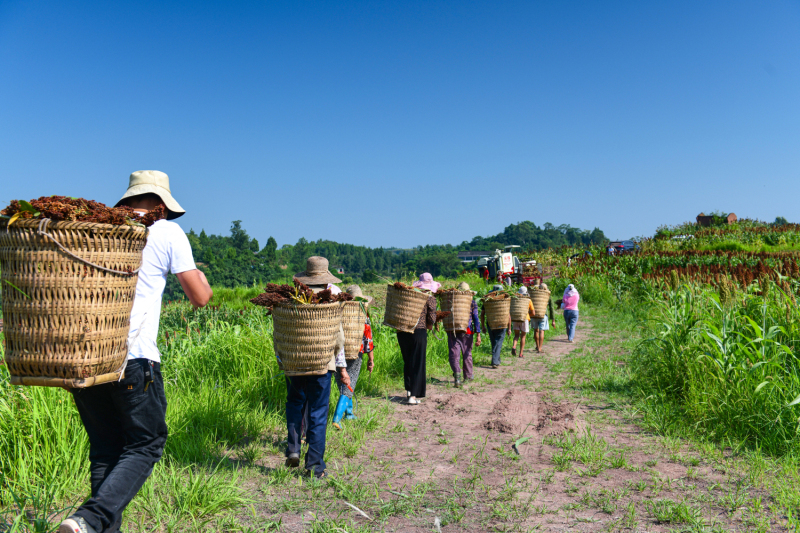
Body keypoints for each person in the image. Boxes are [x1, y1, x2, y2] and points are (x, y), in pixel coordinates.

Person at [60, 170, 213, 533]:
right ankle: (89, 518)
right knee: (147, 443)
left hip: (89, 355)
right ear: (162, 204)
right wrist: (201, 276)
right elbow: (200, 297)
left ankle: (87, 526)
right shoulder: (166, 231)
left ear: (128, 201)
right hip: (134, 356)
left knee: (106, 450)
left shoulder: (102, 232)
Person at [283, 256, 349, 479]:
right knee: (318, 412)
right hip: (322, 364)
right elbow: (339, 340)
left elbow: (280, 332)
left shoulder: (293, 299)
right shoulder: (331, 302)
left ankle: (293, 448)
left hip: (295, 363)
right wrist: (340, 367)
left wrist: (282, 358)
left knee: (295, 403)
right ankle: (314, 467)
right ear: (326, 278)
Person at [332, 285, 374, 430]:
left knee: (343, 384)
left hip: (338, 352)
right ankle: (336, 418)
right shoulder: (363, 314)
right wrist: (371, 359)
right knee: (349, 386)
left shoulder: (338, 310)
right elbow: (368, 338)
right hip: (356, 352)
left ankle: (349, 413)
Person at [396, 273, 438, 405]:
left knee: (408, 361)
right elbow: (431, 318)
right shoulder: (429, 297)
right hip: (418, 332)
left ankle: (409, 391)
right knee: (418, 363)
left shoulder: (407, 294)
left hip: (402, 331)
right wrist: (431, 324)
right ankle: (413, 396)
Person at [446, 282, 481, 388]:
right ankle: (468, 376)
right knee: (467, 354)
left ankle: (457, 377)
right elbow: (476, 318)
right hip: (467, 330)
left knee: (454, 354)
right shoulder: (472, 302)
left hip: (453, 329)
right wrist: (478, 334)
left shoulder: (451, 300)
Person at [480, 285, 512, 369]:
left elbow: (482, 314)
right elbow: (508, 316)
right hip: (502, 324)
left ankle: (497, 360)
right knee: (498, 343)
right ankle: (495, 361)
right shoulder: (505, 300)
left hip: (491, 324)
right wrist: (509, 328)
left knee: (494, 343)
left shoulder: (487, 301)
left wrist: (483, 326)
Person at [511, 286, 535, 358]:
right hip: (524, 319)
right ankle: (521, 353)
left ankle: (514, 346)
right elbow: (533, 313)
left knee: (516, 335)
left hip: (516, 318)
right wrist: (527, 315)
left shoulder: (515, 299)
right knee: (523, 336)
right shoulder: (528, 300)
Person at [532, 282, 556, 353]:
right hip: (543, 315)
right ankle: (540, 348)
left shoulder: (534, 294)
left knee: (536, 331)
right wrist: (553, 320)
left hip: (534, 315)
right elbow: (551, 308)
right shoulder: (547, 295)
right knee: (541, 331)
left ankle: (537, 346)